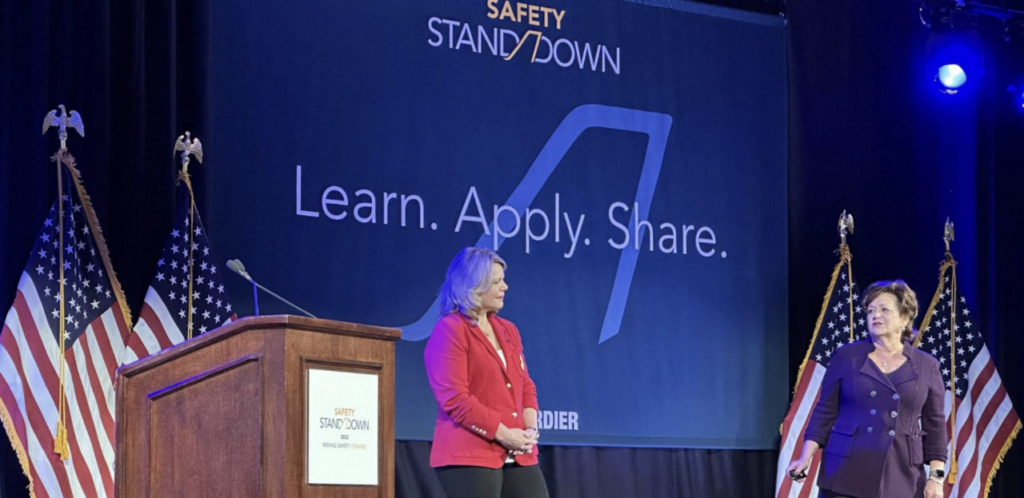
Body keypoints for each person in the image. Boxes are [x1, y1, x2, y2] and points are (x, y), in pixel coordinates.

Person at [787, 280, 948, 498]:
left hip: (901, 474)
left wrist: (936, 478)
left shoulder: (926, 365)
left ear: (904, 319)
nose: (875, 315)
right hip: (845, 473)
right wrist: (805, 457)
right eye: (871, 310)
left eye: (884, 309)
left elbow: (935, 425)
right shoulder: (846, 357)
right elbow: (824, 412)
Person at [424, 247, 549, 498]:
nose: (505, 287)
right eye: (496, 282)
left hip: (519, 452)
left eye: (503, 280)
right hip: (470, 453)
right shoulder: (450, 331)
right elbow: (455, 399)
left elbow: (526, 385)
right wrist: (504, 434)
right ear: (473, 286)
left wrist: (530, 429)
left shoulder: (508, 330)